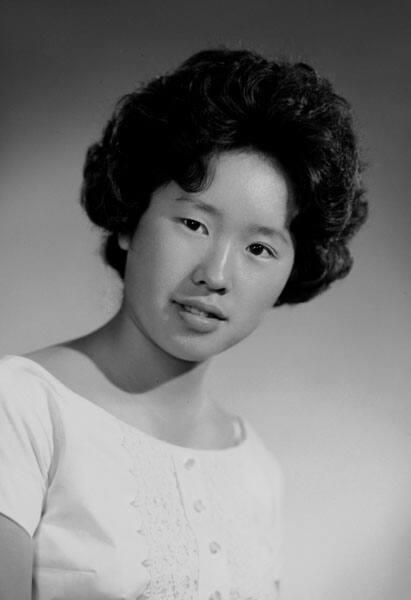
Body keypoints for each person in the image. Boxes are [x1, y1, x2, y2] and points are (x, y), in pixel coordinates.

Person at [0, 47, 367, 600]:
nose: (215, 274)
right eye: (194, 222)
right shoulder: (22, 408)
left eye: (261, 248)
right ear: (130, 219)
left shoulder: (256, 469)